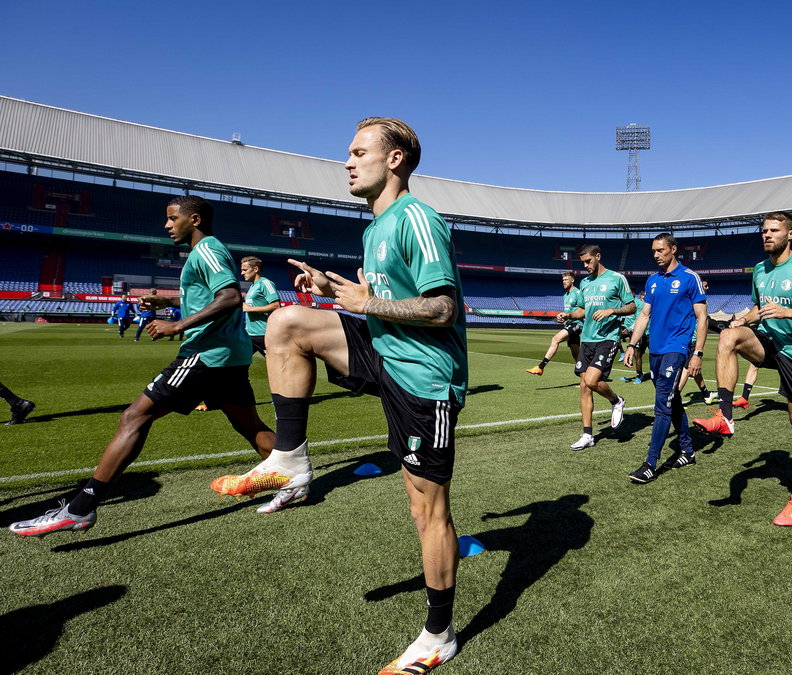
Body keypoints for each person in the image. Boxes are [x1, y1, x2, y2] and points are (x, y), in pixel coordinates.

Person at [207, 118, 468, 673]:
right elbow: (382, 297)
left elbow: (443, 307)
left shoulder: (417, 220)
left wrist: (364, 303)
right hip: (382, 350)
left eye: (358, 152)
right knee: (286, 325)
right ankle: (292, 460)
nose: (346, 162)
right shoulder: (375, 228)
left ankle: (439, 634)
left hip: (423, 376)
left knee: (428, 512)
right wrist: (334, 292)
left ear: (393, 160)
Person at [8, 196, 275, 537]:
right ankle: (294, 478)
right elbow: (211, 294)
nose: (166, 225)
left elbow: (230, 297)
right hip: (228, 356)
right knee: (248, 424)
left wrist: (177, 325)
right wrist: (168, 300)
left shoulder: (207, 249)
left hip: (205, 353)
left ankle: (80, 508)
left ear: (193, 219)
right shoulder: (204, 252)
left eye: (171, 218)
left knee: (134, 417)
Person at [693, 212, 792, 526]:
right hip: (768, 342)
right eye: (764, 231)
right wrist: (744, 319)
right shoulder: (759, 269)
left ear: (791, 234)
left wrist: (789, 312)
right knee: (729, 336)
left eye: (774, 230)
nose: (767, 235)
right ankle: (726, 416)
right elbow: (760, 306)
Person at [623, 233, 707, 483]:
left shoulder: (690, 278)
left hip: (677, 348)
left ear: (673, 249)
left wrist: (698, 353)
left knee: (662, 405)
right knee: (673, 400)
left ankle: (650, 463)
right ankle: (688, 451)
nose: (657, 255)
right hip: (655, 350)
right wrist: (632, 344)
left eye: (661, 250)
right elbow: (644, 315)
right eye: (654, 251)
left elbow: (702, 317)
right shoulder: (652, 281)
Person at [563, 244, 634, 450]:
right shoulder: (585, 283)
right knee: (585, 387)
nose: (585, 266)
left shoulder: (616, 278)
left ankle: (616, 400)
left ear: (598, 256)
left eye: (589, 261)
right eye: (583, 262)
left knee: (592, 380)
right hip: (587, 339)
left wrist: (612, 310)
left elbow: (630, 306)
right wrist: (569, 315)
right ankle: (587, 435)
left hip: (608, 339)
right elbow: (582, 311)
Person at [526, 272, 584, 375]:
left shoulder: (578, 293)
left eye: (566, 280)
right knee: (576, 353)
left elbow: (583, 310)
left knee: (555, 339)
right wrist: (563, 318)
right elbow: (568, 312)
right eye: (563, 280)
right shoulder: (565, 295)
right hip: (569, 324)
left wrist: (569, 315)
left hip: (577, 324)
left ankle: (541, 367)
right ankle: (585, 375)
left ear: (572, 280)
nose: (564, 282)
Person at [679, 279, 716, 403]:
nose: (707, 288)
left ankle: (706, 394)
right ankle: (673, 399)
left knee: (694, 368)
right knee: (687, 368)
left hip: (688, 339)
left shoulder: (693, 299)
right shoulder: (696, 300)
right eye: (705, 285)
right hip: (691, 340)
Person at [240, 256, 281, 356]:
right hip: (250, 335)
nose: (242, 273)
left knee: (275, 366)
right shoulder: (253, 286)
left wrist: (250, 308)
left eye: (245, 270)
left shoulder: (265, 283)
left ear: (256, 269)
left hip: (264, 335)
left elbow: (276, 306)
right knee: (240, 364)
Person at [620, 291, 648, 383]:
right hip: (631, 332)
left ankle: (639, 376)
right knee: (634, 353)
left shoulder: (639, 304)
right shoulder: (626, 304)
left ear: (632, 293)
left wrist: (630, 328)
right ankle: (638, 374)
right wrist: (624, 327)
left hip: (641, 332)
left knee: (637, 353)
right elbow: (625, 317)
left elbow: (639, 319)